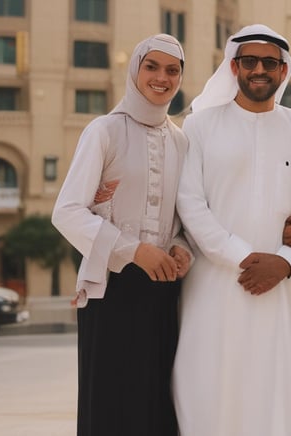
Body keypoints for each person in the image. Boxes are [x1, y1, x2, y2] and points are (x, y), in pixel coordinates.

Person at [171, 24, 291, 436]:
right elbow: (191, 203)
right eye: (249, 61)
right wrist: (242, 256)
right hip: (212, 287)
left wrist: (286, 264)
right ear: (233, 66)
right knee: (206, 389)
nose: (259, 70)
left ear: (283, 70)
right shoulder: (200, 125)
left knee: (269, 396)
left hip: (277, 292)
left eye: (269, 63)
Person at [51, 34, 190, 436]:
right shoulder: (104, 131)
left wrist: (180, 248)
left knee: (155, 402)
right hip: (110, 288)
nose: (161, 77)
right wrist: (132, 251)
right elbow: (67, 212)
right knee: (109, 402)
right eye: (152, 67)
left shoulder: (181, 141)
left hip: (163, 289)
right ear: (135, 70)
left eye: (172, 69)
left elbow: (181, 219)